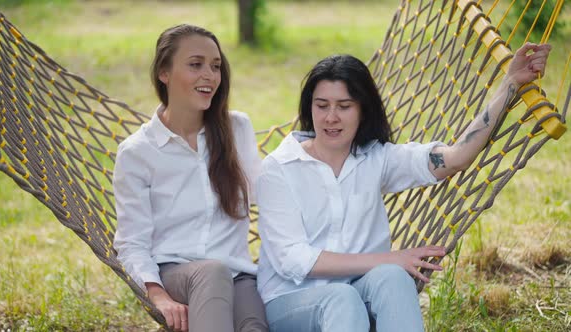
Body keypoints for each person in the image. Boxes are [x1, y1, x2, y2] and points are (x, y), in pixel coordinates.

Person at [256, 43, 551, 331]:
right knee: (343, 296)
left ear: (362, 110)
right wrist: (387, 258)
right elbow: (293, 261)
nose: (331, 117)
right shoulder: (279, 168)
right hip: (290, 302)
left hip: (357, 289)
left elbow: (456, 157)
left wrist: (509, 84)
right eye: (322, 106)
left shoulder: (377, 159)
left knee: (394, 278)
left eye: (344, 106)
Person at [113, 24, 268, 332]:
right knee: (211, 272)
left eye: (215, 66)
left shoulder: (236, 129)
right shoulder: (137, 152)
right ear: (164, 73)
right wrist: (158, 296)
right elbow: (132, 242)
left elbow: (267, 195)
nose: (209, 75)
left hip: (238, 274)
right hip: (176, 273)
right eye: (195, 65)